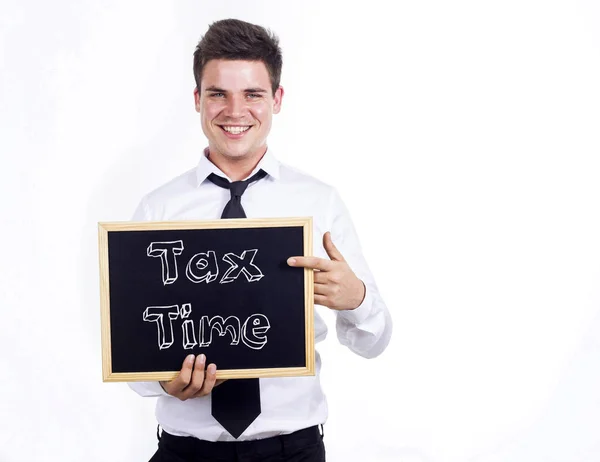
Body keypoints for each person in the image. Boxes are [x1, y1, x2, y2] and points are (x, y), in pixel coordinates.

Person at [128, 18, 392, 462]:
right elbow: (131, 353)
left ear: (277, 99)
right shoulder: (158, 211)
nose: (235, 111)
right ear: (197, 100)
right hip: (185, 454)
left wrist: (357, 298)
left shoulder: (319, 202)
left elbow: (375, 340)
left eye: (252, 94)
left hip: (294, 451)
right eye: (218, 94)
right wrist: (162, 382)